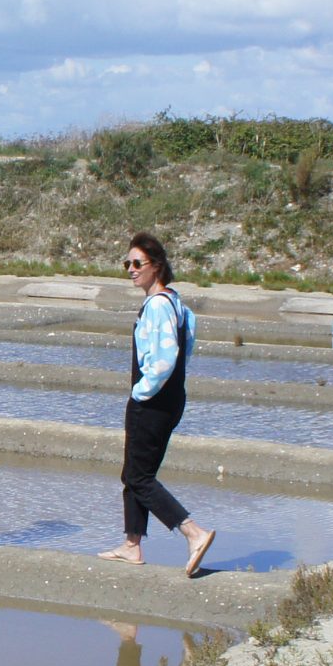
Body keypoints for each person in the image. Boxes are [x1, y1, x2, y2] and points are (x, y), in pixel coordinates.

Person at [99, 231, 217, 576]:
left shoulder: (159, 306)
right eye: (127, 264)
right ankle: (131, 545)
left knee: (140, 476)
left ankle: (193, 533)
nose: (131, 270)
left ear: (157, 266)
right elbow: (188, 344)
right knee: (134, 473)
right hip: (170, 399)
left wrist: (141, 391)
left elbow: (166, 359)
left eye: (137, 263)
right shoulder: (178, 304)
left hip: (153, 402)